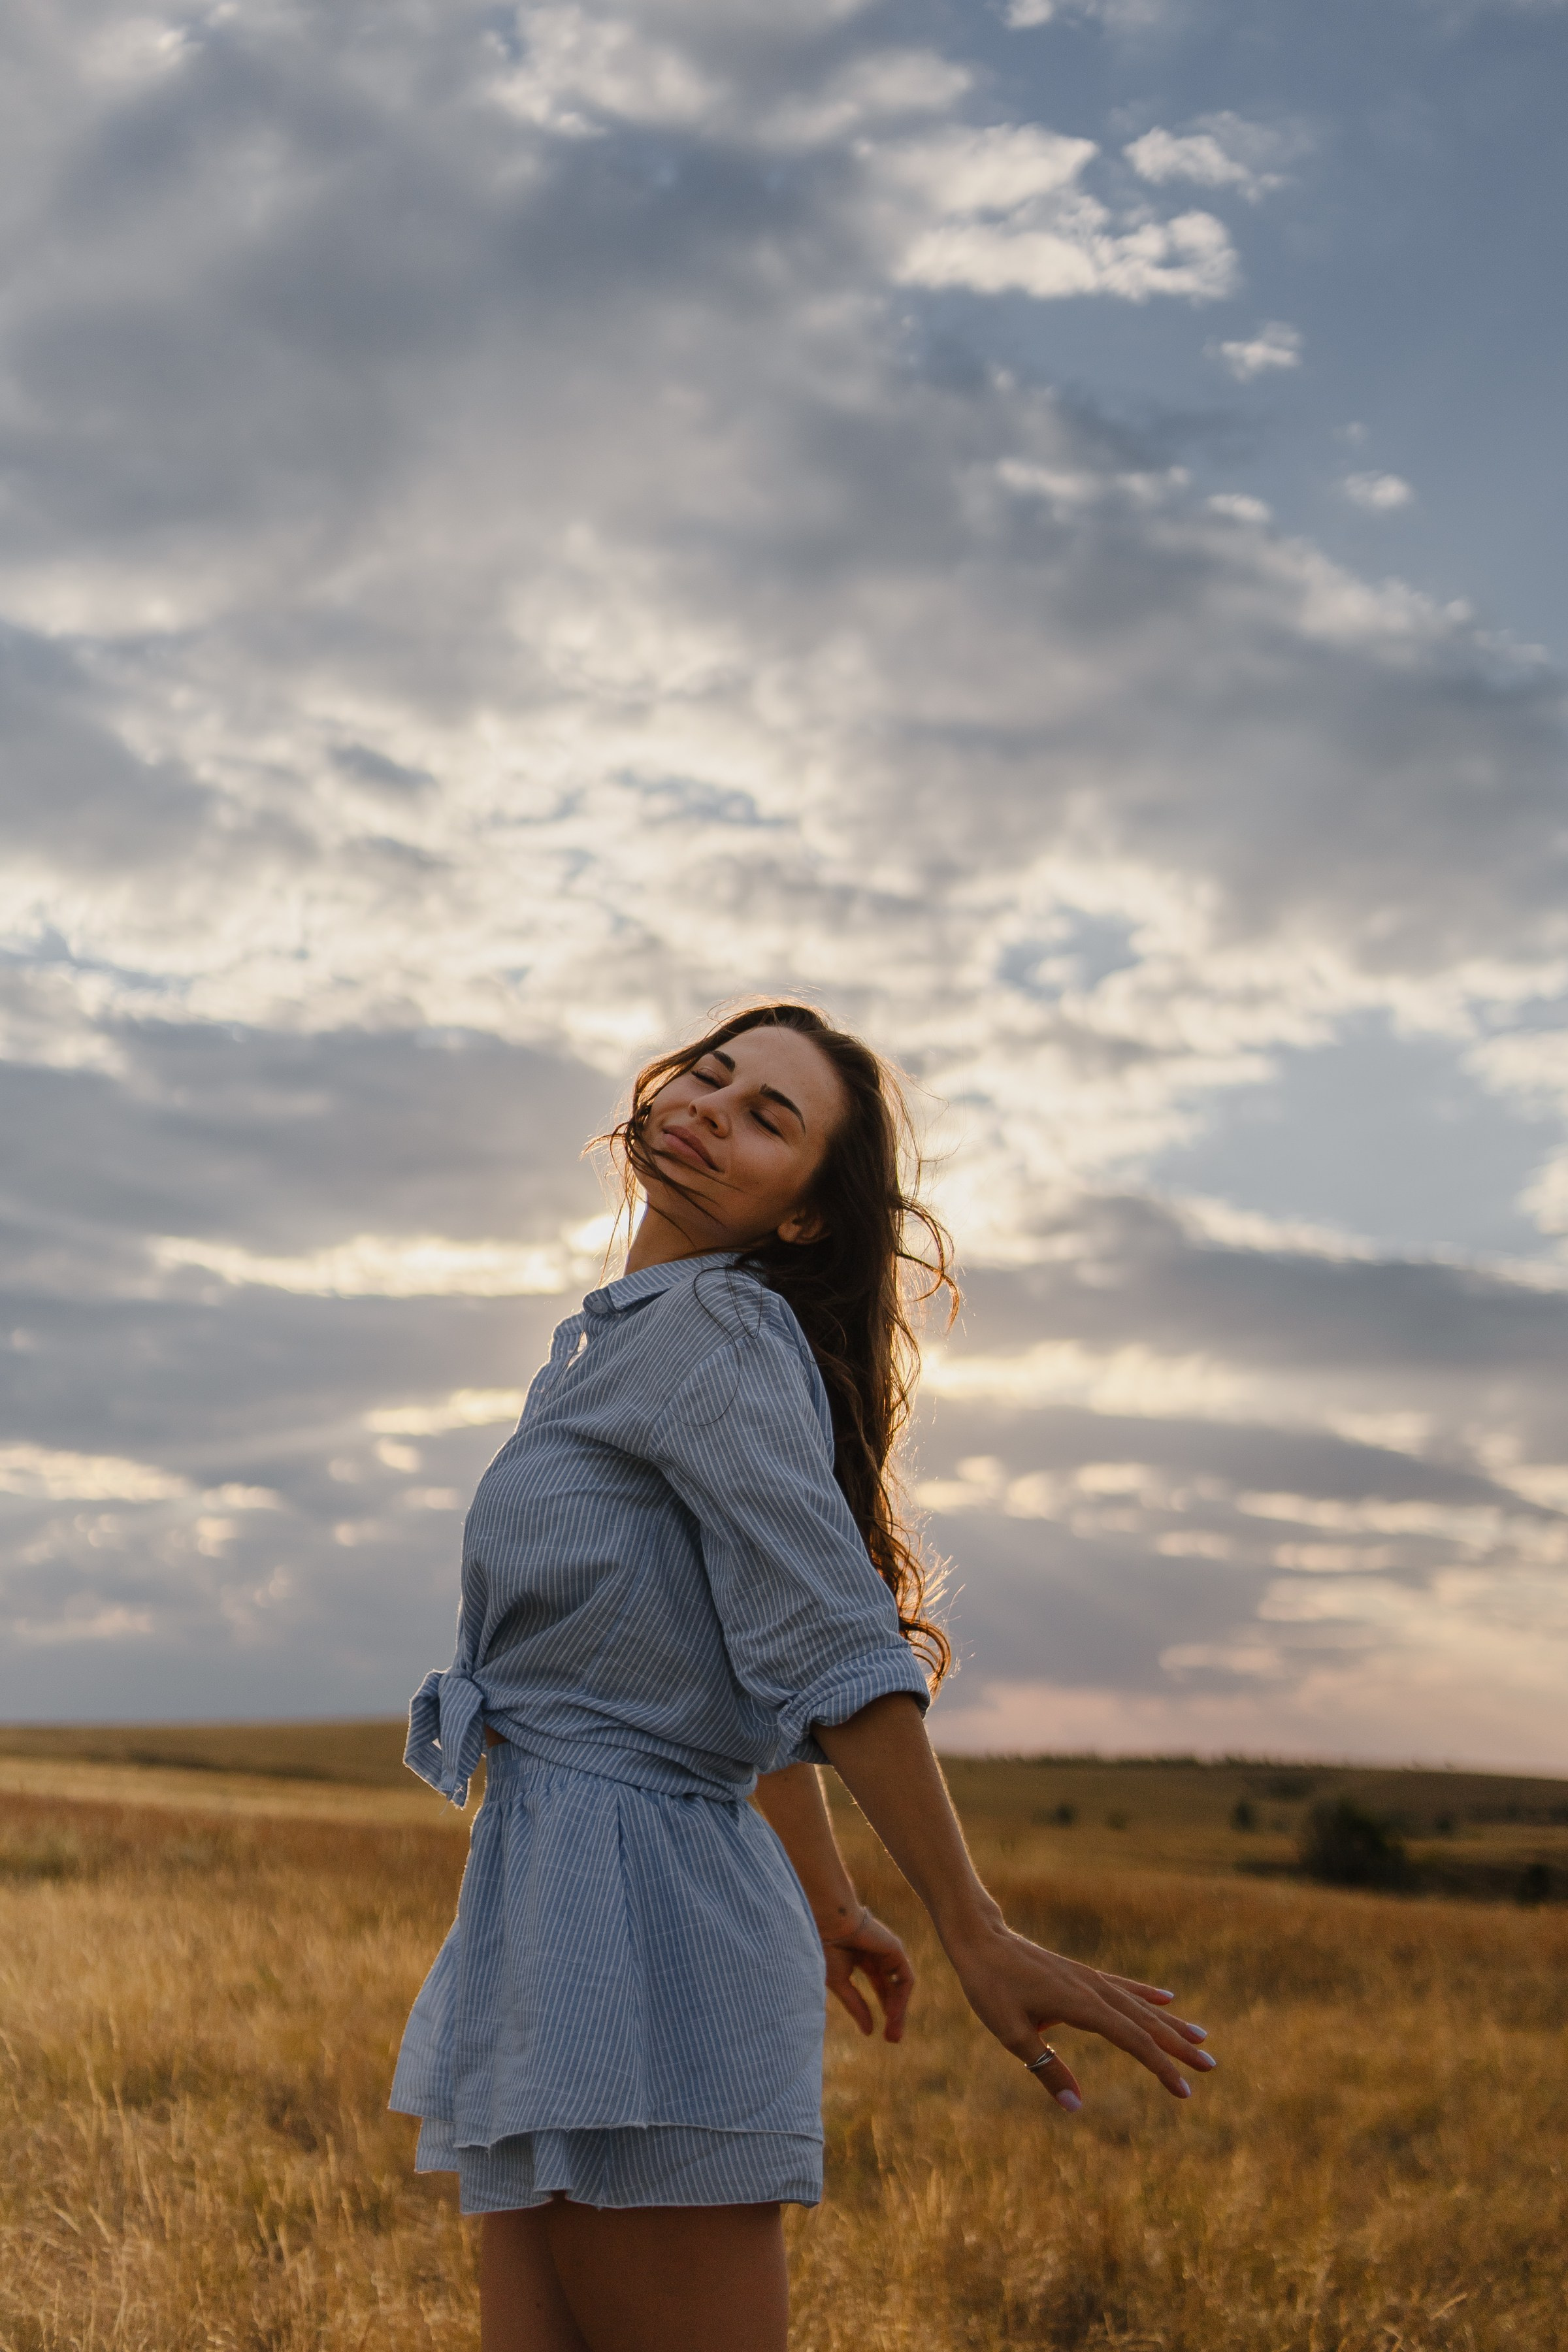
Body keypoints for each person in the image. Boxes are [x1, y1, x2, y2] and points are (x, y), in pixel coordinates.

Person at [390, 1001, 1215, 2352]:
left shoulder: (711, 1331)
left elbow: (832, 1642)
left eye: (769, 1115)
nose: (713, 1106)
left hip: (648, 1925)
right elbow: (717, 1655)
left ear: (806, 1218)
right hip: (559, 1902)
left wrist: (973, 1924)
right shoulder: (619, 1339)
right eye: (710, 1075)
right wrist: (830, 1897)